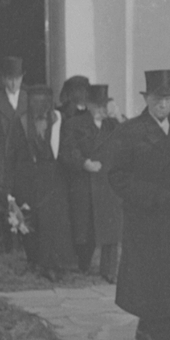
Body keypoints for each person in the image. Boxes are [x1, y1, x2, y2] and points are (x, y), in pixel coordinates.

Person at [106, 70, 170, 340]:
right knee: (152, 277)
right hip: (146, 218)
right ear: (147, 99)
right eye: (157, 98)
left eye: (168, 98)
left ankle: (148, 325)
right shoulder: (130, 131)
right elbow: (117, 177)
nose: (163, 104)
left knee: (168, 279)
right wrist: (152, 195)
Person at [10, 85, 76, 279]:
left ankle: (57, 264)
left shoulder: (58, 120)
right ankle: (39, 262)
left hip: (55, 177)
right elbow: (14, 151)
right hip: (32, 177)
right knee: (36, 220)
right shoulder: (21, 121)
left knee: (55, 222)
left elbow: (65, 146)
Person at [60, 84, 122, 282]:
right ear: (88, 105)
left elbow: (127, 141)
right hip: (84, 182)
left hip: (107, 183)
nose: (102, 110)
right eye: (98, 106)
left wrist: (118, 115)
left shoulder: (112, 125)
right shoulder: (74, 124)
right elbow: (68, 150)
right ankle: (83, 263)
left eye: (105, 105)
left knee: (111, 229)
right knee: (84, 228)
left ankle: (109, 270)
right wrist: (83, 163)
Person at [0, 56, 28, 251]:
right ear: (3, 79)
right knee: (2, 193)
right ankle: (7, 241)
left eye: (17, 79)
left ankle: (24, 238)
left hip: (22, 155)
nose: (13, 83)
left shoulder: (28, 99)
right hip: (1, 154)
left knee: (23, 191)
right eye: (10, 79)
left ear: (22, 78)